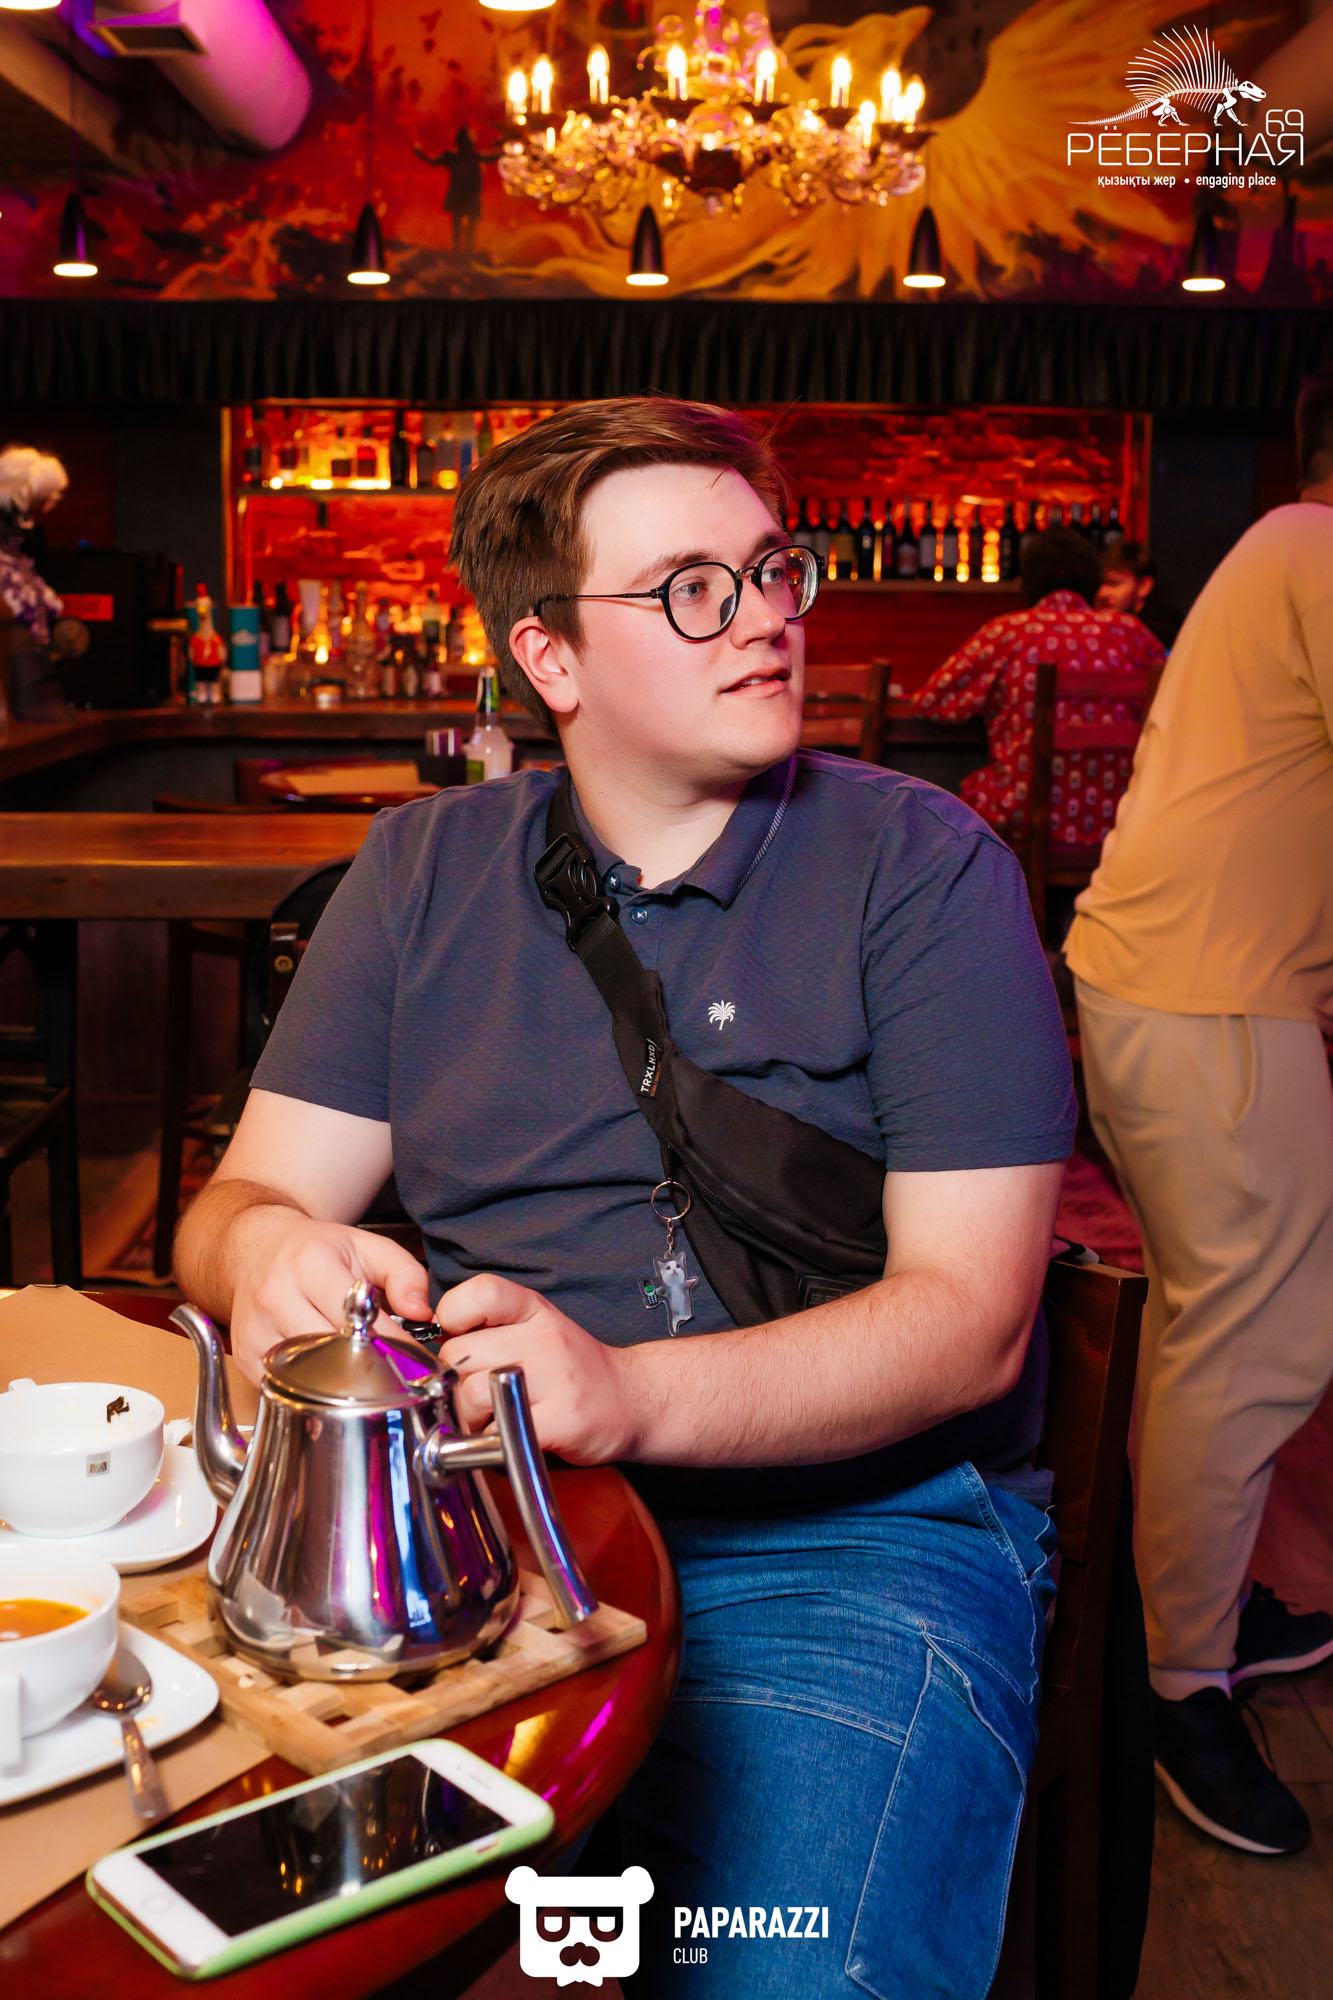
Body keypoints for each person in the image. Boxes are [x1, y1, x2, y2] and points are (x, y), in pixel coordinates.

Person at [174, 398, 1075, 1998]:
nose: (767, 619)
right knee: (238, 1933)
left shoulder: (923, 869)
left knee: (777, 1971)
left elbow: (970, 1324)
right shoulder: (421, 869)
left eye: (773, 570)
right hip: (476, 1530)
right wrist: (270, 1256)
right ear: (551, 659)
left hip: (843, 1544)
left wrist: (626, 1394)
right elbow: (239, 1201)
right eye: (691, 590)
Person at [1064, 362, 1333, 1858]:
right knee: (1260, 1341)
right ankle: (1178, 1687)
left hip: (1179, 986)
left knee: (1209, 1331)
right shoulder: (1317, 547)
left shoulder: (1283, 546)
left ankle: (1193, 1613)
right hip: (1211, 1000)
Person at [914, 527, 1165, 852]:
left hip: (1024, 817)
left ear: (1028, 580)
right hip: (1121, 817)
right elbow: (1176, 703)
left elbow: (930, 702)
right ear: (1092, 578)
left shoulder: (1007, 632)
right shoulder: (1132, 633)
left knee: (953, 802)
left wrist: (994, 705)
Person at [1096, 540, 1182, 651]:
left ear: (1143, 587)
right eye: (1098, 584)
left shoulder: (1162, 632)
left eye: (1113, 583)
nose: (1102, 593)